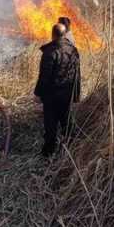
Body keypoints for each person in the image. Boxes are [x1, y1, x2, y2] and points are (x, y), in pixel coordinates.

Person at [34, 23, 81, 157]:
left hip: (52, 96)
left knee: (50, 124)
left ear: (53, 35)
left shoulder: (50, 52)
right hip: (67, 94)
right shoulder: (73, 50)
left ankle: (48, 152)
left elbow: (44, 76)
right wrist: (76, 95)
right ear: (65, 34)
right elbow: (77, 75)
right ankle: (71, 149)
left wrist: (38, 94)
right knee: (67, 121)